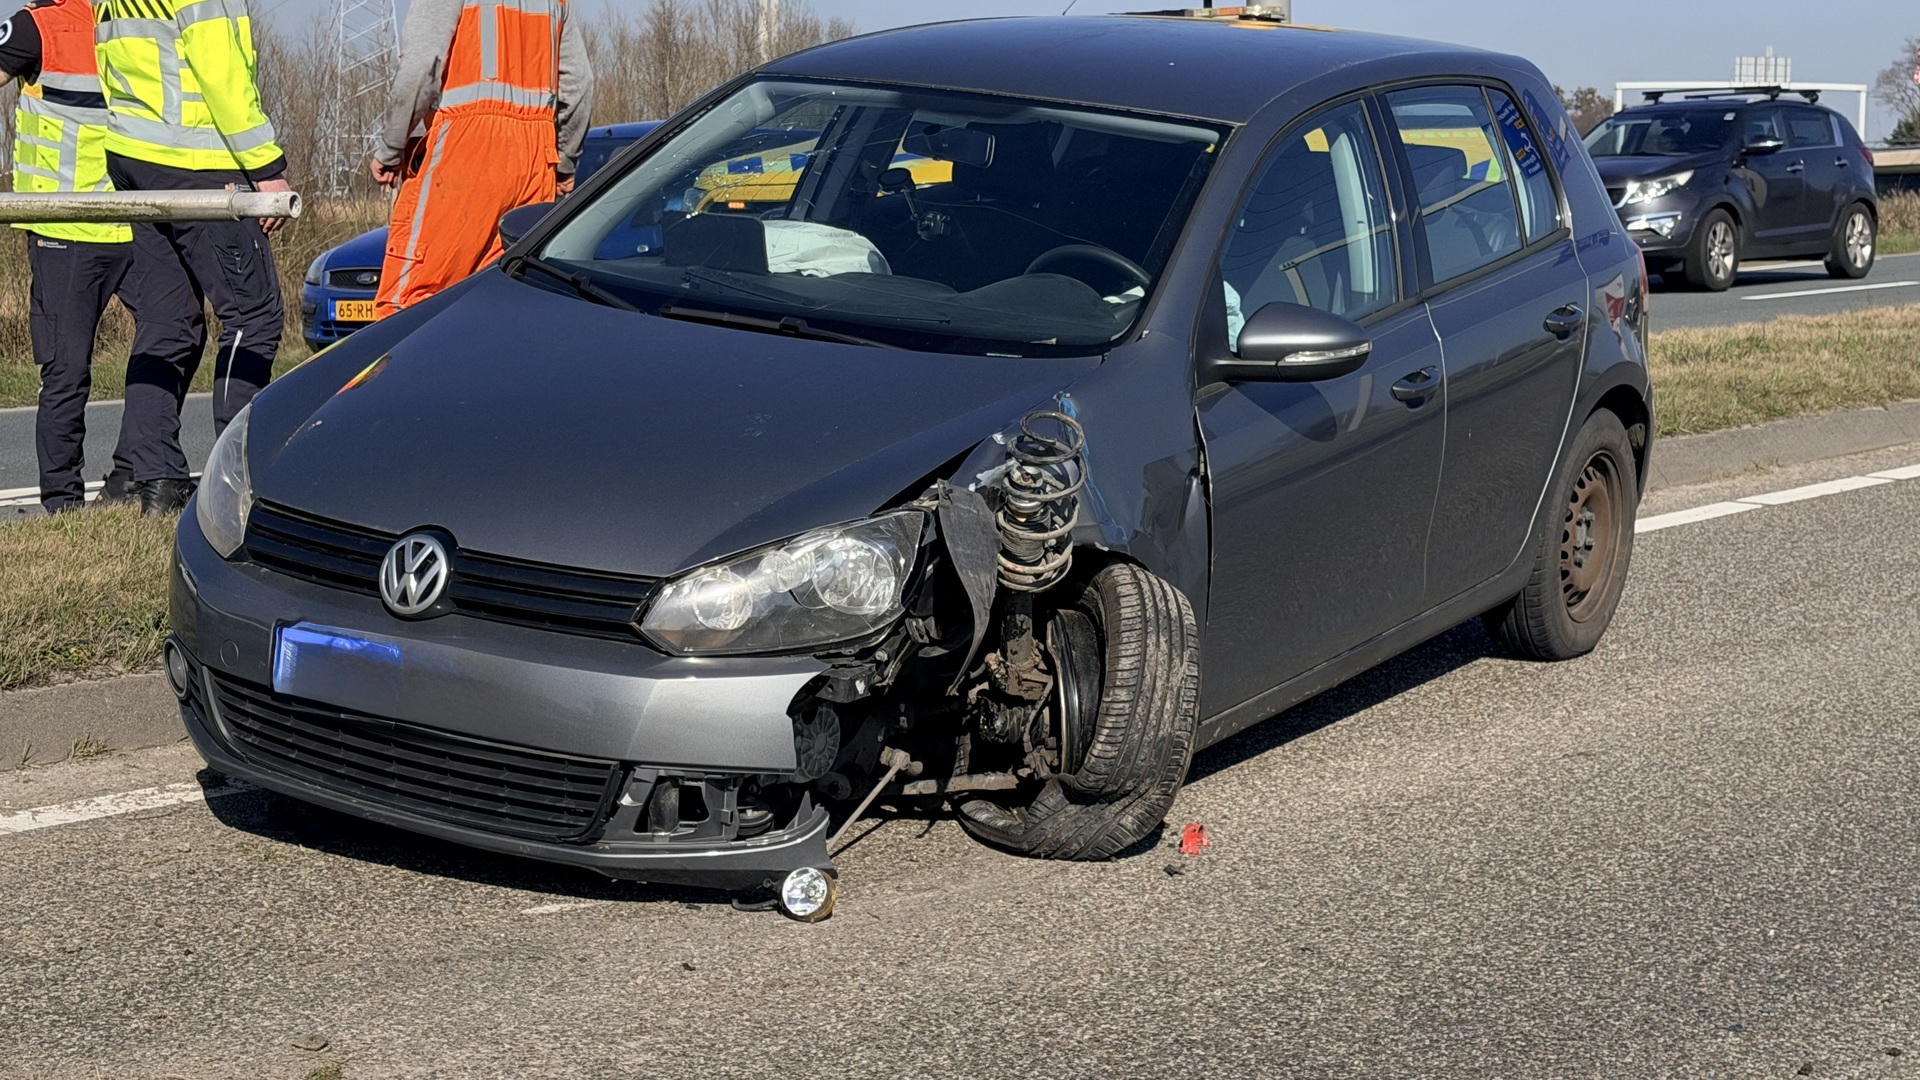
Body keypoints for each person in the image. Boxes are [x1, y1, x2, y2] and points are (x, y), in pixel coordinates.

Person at [95, 0, 292, 515]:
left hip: (135, 156)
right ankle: (240, 482)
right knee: (254, 314)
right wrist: (266, 165)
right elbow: (220, 72)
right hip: (196, 159)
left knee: (168, 319)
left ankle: (156, 480)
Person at [370, 0, 593, 317]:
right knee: (505, 306)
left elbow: (421, 68)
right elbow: (579, 85)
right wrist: (565, 161)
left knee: (408, 306)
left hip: (464, 152)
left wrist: (392, 146)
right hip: (536, 160)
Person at [0, 0, 133, 515]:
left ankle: (136, 473)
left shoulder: (123, 22)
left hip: (131, 220)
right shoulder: (38, 26)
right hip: (65, 230)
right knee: (67, 370)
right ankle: (63, 506)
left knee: (178, 331)